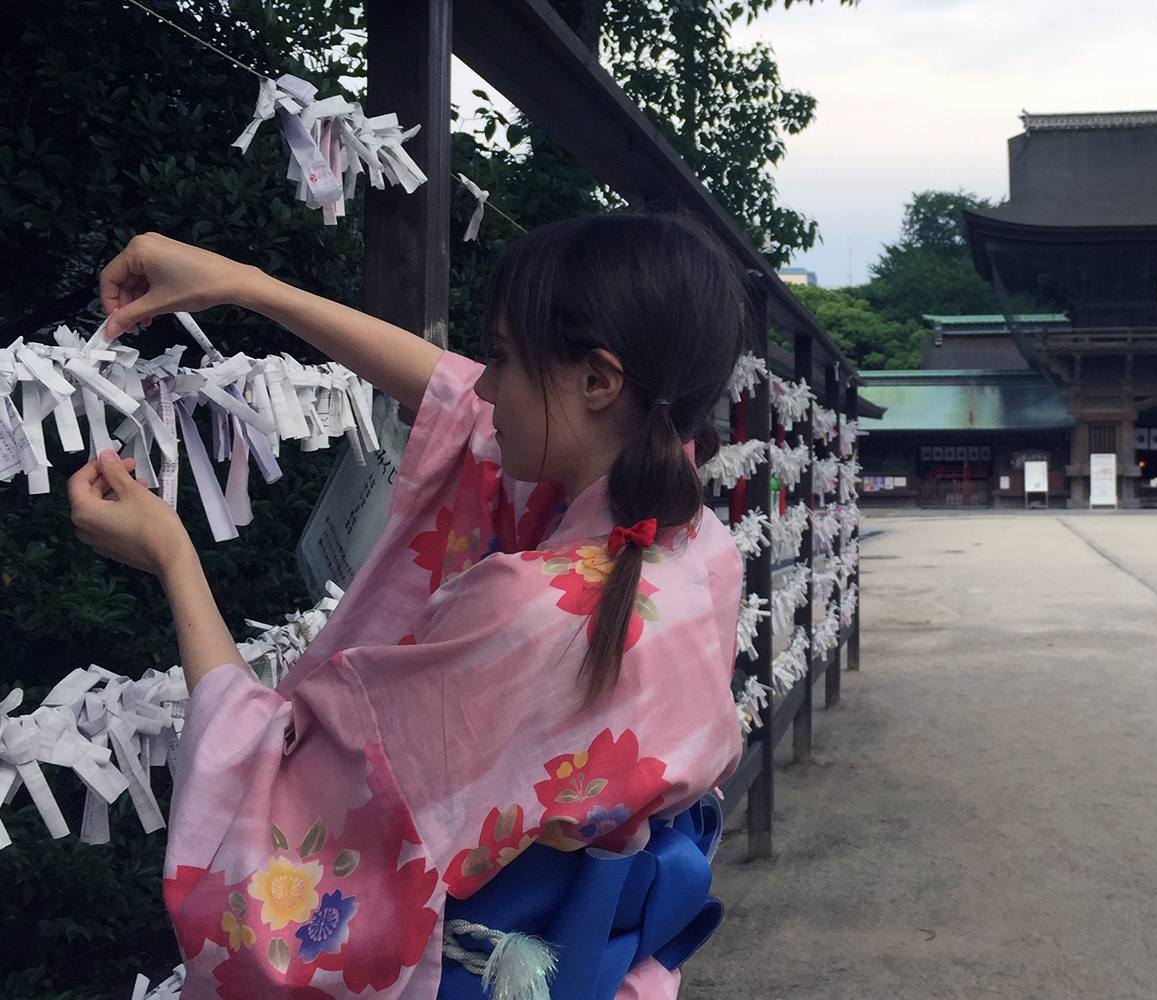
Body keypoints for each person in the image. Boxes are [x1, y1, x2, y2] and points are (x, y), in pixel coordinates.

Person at [68, 214, 749, 1000]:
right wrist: (245, 285)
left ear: (599, 380)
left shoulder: (529, 612)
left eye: (502, 358)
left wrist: (174, 559)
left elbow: (281, 798)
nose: (485, 387)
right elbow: (459, 401)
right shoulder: (694, 548)